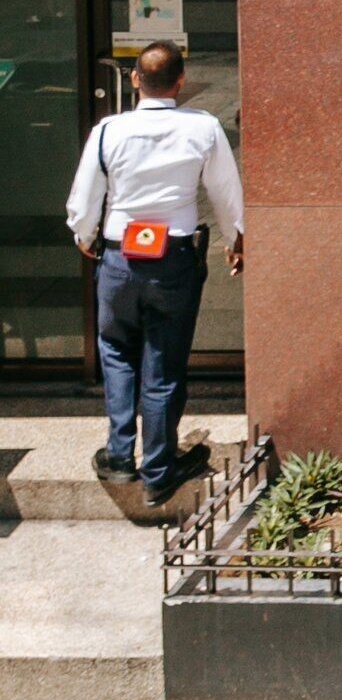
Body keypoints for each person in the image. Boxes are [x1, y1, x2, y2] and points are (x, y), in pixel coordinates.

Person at [66, 42, 245, 498]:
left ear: (134, 80)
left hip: (118, 257)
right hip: (174, 258)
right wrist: (235, 239)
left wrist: (85, 235)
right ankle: (159, 469)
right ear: (181, 80)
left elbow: (85, 197)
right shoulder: (203, 127)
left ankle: (120, 456)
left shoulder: (108, 130)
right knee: (163, 360)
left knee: (116, 350)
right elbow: (226, 193)